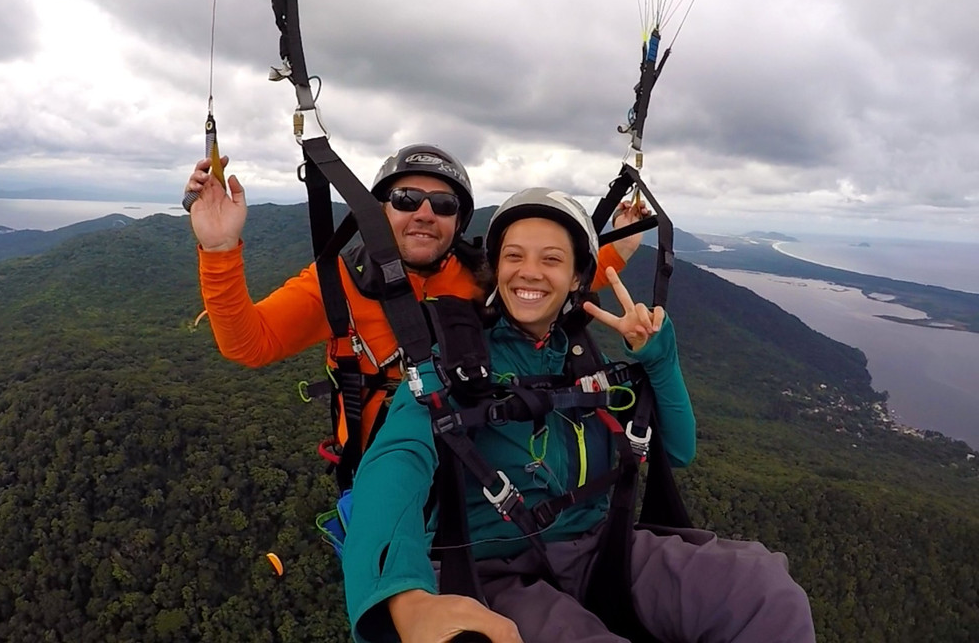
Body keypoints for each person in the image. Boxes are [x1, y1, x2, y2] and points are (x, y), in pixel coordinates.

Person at [341, 188, 816, 643]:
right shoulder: (451, 357)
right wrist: (403, 597)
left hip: (600, 548)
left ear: (575, 277)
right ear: (496, 268)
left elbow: (677, 450)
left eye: (551, 259)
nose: (529, 273)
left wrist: (658, 354)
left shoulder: (582, 359)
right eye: (514, 256)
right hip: (496, 571)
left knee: (767, 593)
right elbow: (396, 460)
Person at [184, 144, 647, 457]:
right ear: (380, 212)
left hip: (480, 464)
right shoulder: (342, 283)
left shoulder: (477, 276)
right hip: (386, 464)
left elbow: (544, 285)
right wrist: (221, 250)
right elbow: (249, 344)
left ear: (458, 221)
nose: (425, 214)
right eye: (406, 199)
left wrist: (618, 250)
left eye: (443, 205)